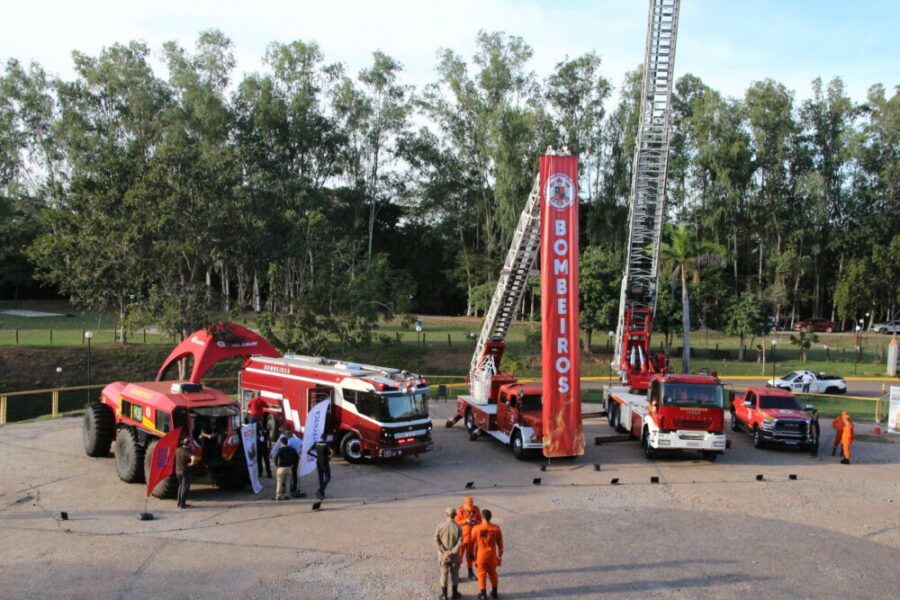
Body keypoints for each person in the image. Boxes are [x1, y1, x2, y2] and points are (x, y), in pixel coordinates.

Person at [472, 509, 503, 600]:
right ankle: (494, 592)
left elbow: (472, 542)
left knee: (481, 574)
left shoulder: (476, 528)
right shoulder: (496, 528)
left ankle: (483, 594)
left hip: (481, 555)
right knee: (493, 573)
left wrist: (470, 553)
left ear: (482, 517)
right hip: (492, 555)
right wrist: (500, 554)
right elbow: (500, 544)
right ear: (490, 517)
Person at [434, 507, 463, 600]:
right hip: (454, 556)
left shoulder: (440, 526)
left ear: (446, 514)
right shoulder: (458, 527)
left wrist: (444, 551)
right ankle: (455, 593)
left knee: (444, 573)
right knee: (455, 574)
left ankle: (444, 595)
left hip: (443, 556)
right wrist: (452, 552)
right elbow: (460, 542)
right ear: (455, 515)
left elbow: (436, 540)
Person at [271, 428, 306, 498]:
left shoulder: (289, 443)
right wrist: (299, 452)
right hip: (296, 459)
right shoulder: (298, 440)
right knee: (294, 474)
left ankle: (281, 492)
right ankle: (294, 488)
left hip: (287, 462)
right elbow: (302, 446)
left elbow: (277, 457)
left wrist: (277, 465)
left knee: (283, 478)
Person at [455, 496, 483, 580]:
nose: (470, 506)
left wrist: (475, 522)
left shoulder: (476, 509)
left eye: (471, 504)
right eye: (468, 504)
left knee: (470, 556)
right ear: (465, 503)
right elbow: (456, 522)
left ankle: (470, 573)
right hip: (462, 538)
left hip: (472, 538)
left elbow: (481, 521)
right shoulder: (460, 510)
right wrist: (465, 521)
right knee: (459, 556)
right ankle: (456, 574)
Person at [175, 437, 199, 509]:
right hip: (184, 471)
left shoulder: (178, 449)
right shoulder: (186, 451)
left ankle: (178, 503)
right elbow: (193, 457)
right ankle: (183, 504)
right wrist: (192, 463)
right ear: (188, 444)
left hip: (177, 471)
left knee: (180, 486)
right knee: (185, 487)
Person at [308, 434, 334, 500]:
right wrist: (330, 457)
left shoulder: (316, 443)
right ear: (325, 438)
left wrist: (315, 456)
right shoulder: (326, 444)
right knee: (328, 478)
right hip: (325, 463)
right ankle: (320, 490)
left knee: (321, 478)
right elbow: (332, 452)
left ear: (320, 438)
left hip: (318, 463)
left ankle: (321, 495)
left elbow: (308, 452)